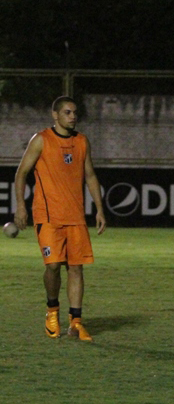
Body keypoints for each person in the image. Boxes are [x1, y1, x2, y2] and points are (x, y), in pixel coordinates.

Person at [14, 96, 107, 342]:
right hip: (48, 216)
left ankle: (76, 322)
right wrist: (21, 207)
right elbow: (21, 173)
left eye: (75, 112)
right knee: (53, 266)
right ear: (55, 115)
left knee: (76, 269)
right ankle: (52, 311)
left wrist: (99, 209)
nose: (73, 116)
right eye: (67, 112)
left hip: (75, 217)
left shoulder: (82, 141)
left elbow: (90, 176)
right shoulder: (41, 140)